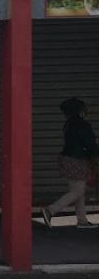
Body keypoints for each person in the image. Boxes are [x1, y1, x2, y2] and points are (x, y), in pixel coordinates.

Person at [42, 97, 98, 229]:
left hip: (67, 159)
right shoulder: (82, 124)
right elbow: (90, 144)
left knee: (78, 191)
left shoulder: (68, 124)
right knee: (77, 192)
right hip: (77, 160)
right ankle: (51, 210)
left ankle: (82, 220)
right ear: (79, 110)